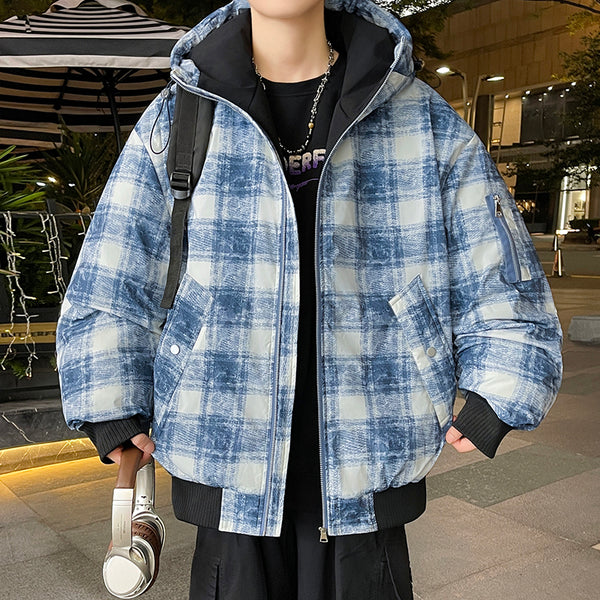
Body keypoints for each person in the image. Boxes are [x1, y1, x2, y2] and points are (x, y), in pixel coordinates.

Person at [57, 1, 563, 598]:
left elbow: (496, 266)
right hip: (222, 452)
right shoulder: (180, 117)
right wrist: (111, 404)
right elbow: (117, 267)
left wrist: (503, 386)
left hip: (372, 457)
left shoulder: (418, 116)